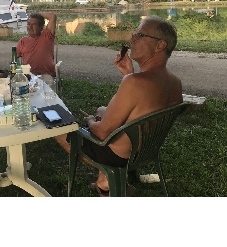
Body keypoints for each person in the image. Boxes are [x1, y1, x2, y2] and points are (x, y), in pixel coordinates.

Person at [54, 16, 183, 196]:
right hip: (144, 150)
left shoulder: (135, 83)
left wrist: (90, 121)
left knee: (58, 129)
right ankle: (106, 182)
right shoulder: (175, 82)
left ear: (160, 45)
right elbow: (142, 108)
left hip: (118, 155)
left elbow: (102, 133)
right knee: (102, 110)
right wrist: (128, 74)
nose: (132, 39)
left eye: (140, 35)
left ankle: (108, 179)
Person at [16, 11, 57, 83]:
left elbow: (52, 17)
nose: (30, 27)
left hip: (45, 75)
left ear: (41, 27)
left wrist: (38, 13)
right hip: (27, 75)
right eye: (29, 24)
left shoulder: (47, 36)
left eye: (34, 24)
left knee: (45, 85)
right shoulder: (22, 41)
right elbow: (14, 58)